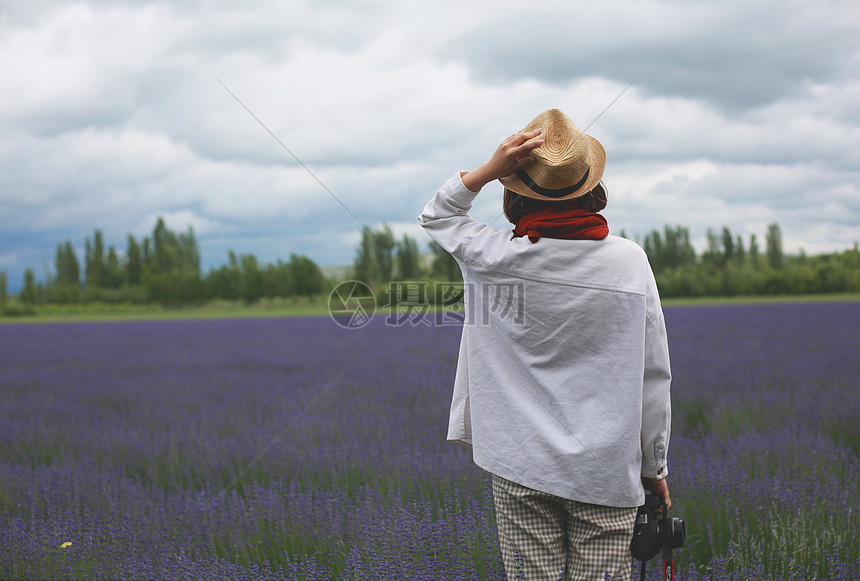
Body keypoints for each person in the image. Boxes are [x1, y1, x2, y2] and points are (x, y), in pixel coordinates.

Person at [418, 108, 672, 580]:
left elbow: (439, 213)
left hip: (521, 464)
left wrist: (491, 168)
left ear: (514, 195)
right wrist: (653, 467)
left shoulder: (491, 255)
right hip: (606, 471)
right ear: (593, 190)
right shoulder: (629, 262)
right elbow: (653, 373)